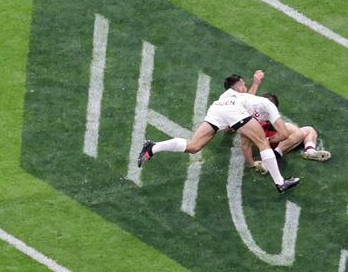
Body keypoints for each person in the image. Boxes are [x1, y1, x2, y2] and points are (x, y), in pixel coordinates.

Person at [137, 74, 301, 193]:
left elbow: (241, 137)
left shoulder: (247, 103)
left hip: (217, 106)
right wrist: (268, 138)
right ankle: (280, 182)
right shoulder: (268, 106)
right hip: (231, 108)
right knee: (262, 143)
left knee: (194, 146)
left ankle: (153, 147)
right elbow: (285, 133)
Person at [241, 91, 331, 174]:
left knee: (307, 130)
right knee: (300, 131)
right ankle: (273, 157)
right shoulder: (270, 113)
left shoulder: (249, 112)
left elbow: (238, 135)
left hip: (262, 140)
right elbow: (282, 132)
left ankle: (310, 150)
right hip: (271, 140)